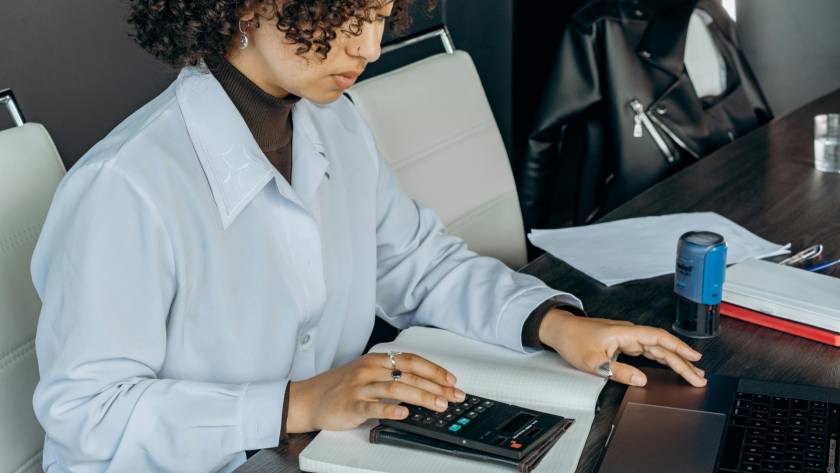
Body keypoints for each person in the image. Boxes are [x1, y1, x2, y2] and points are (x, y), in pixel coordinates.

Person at [30, 1, 706, 472]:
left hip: (318, 451)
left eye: (381, 15)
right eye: (346, 13)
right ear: (246, 4)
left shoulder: (335, 126)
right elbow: (89, 418)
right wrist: (296, 401)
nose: (370, 46)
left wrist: (551, 322)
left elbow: (417, 263)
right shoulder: (126, 186)